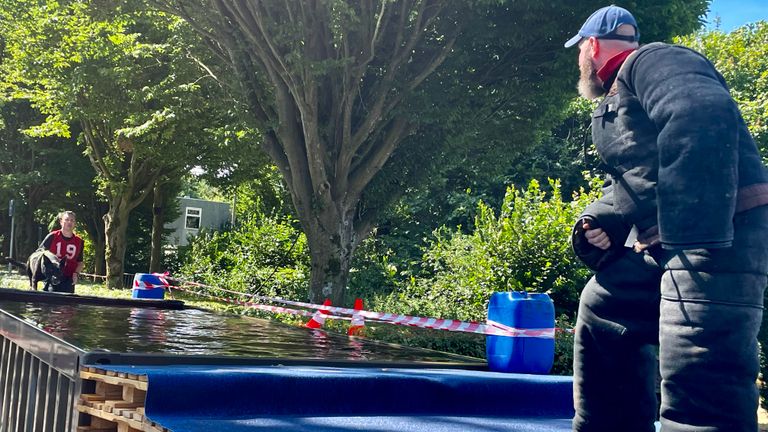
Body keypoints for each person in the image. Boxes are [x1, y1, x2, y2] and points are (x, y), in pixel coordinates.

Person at [565, 5, 768, 432]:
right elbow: (634, 183)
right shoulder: (617, 100)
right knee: (604, 307)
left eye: (580, 50)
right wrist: (599, 220)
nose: (579, 60)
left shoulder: (654, 60)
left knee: (698, 370)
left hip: (719, 236)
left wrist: (691, 238)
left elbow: (700, 114)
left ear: (592, 46)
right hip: (669, 243)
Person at [40, 210, 85, 293]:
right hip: (52, 277)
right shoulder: (52, 236)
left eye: (72, 220)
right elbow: (40, 253)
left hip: (68, 278)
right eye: (67, 220)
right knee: (49, 303)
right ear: (61, 222)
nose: (69, 222)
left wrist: (76, 273)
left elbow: (80, 262)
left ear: (75, 223)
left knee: (67, 304)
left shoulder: (79, 241)